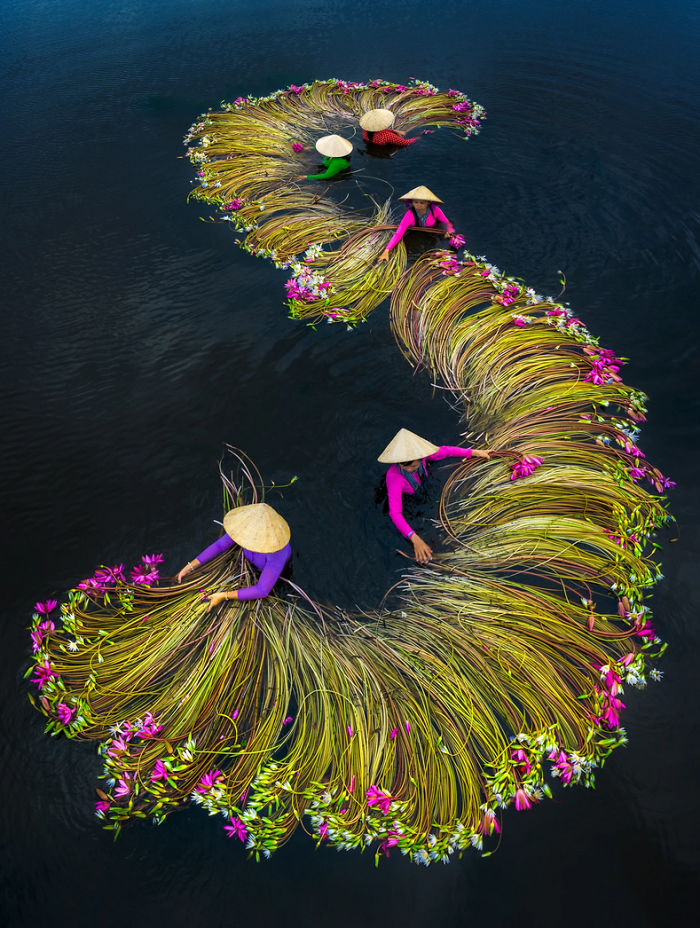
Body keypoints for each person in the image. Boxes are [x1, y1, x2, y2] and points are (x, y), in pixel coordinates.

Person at [378, 428, 492, 563]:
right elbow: (395, 513)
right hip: (411, 499)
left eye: (417, 464)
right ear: (401, 463)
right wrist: (415, 538)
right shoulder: (394, 478)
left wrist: (474, 452)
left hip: (424, 487)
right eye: (409, 467)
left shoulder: (421, 456)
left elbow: (446, 451)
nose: (412, 468)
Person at [176, 502, 291, 607]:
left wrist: (223, 596)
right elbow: (220, 545)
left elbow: (262, 590)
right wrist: (190, 566)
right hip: (253, 564)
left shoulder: (277, 553)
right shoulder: (244, 529)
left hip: (276, 573)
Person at [378, 186, 455, 262]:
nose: (418, 205)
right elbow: (399, 233)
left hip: (433, 231)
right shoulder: (409, 215)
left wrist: (449, 231)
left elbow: (446, 222)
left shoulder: (435, 210)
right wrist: (387, 250)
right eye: (416, 202)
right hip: (416, 233)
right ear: (412, 202)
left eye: (422, 203)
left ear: (428, 203)